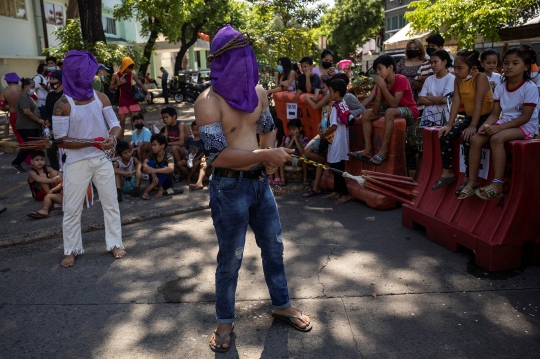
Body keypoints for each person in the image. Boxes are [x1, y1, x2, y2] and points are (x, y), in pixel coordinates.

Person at [195, 25, 312, 353]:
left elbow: (268, 128)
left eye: (248, 55)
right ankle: (224, 320)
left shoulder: (259, 92)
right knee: (230, 258)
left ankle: (281, 304)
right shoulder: (208, 101)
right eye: (238, 56)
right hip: (228, 188)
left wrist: (271, 160)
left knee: (274, 248)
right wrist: (265, 155)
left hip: (260, 183)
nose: (246, 63)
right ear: (221, 61)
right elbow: (217, 156)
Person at [51, 50, 126, 267]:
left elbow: (115, 125)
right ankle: (71, 249)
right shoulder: (62, 104)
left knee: (111, 203)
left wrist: (112, 137)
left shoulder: (100, 97)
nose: (89, 78)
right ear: (74, 75)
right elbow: (60, 140)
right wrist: (90, 142)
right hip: (76, 161)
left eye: (90, 74)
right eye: (86, 74)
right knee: (72, 207)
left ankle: (115, 243)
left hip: (101, 159)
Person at [464, 47, 539, 200]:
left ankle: (498, 184)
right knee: (476, 139)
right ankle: (472, 181)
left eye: (515, 63)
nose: (509, 66)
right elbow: (494, 114)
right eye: (506, 63)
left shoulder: (529, 88)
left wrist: (498, 128)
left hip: (525, 126)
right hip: (504, 122)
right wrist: (488, 126)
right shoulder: (500, 87)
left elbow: (525, 117)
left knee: (496, 139)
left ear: (525, 67)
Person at [434, 50, 493, 197]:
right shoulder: (458, 79)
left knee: (468, 138)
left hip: (485, 117)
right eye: (455, 67)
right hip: (469, 117)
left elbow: (479, 104)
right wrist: (449, 125)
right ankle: (447, 172)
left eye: (460, 68)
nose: (456, 71)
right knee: (446, 136)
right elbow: (456, 103)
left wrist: (473, 126)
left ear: (473, 69)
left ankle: (468, 177)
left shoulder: (481, 78)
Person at [349, 55, 419, 166]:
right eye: (376, 70)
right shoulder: (381, 84)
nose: (377, 72)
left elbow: (394, 104)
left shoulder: (401, 79)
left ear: (390, 67)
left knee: (390, 111)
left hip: (409, 112)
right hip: (390, 111)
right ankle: (368, 150)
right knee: (366, 114)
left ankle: (383, 150)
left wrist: (383, 87)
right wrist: (380, 90)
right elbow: (376, 111)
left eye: (380, 68)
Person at [319, 79, 352, 204]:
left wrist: (323, 134)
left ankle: (345, 193)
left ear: (337, 93)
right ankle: (336, 190)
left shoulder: (334, 107)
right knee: (336, 167)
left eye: (331, 91)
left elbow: (333, 126)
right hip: (342, 140)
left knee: (337, 168)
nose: (329, 93)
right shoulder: (343, 103)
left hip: (335, 141)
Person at [109, 57, 151, 139]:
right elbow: (110, 88)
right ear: (125, 66)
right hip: (122, 101)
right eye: (129, 67)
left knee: (134, 122)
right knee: (121, 123)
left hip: (132, 100)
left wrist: (148, 93)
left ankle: (136, 141)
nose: (130, 69)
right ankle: (121, 142)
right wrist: (119, 83)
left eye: (132, 67)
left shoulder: (132, 74)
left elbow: (140, 84)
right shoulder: (116, 75)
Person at [12, 78, 46, 172]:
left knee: (34, 146)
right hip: (26, 126)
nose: (33, 89)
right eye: (32, 87)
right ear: (26, 87)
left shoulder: (28, 97)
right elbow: (26, 111)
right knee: (30, 146)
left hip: (32, 126)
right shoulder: (23, 97)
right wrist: (38, 120)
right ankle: (16, 162)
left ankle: (37, 163)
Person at [418, 50, 455, 127]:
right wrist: (439, 100)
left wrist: (428, 97)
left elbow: (445, 100)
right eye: (431, 63)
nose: (432, 65)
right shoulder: (429, 79)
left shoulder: (451, 79)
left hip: (443, 118)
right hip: (427, 118)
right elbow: (421, 99)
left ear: (444, 62)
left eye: (435, 62)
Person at [26, 150, 63, 219]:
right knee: (43, 176)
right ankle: (51, 195)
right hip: (39, 194)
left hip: (48, 189)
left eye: (42, 160)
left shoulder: (46, 168)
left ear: (44, 160)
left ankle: (54, 194)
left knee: (54, 173)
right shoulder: (32, 172)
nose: (40, 162)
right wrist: (52, 180)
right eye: (37, 160)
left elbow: (58, 173)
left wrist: (58, 176)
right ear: (31, 161)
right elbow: (40, 179)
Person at [142, 133, 174, 199]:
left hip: (167, 182)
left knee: (165, 169)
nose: (152, 147)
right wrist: (153, 173)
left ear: (162, 145)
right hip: (154, 179)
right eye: (152, 145)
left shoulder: (168, 156)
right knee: (150, 162)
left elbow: (171, 169)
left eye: (155, 145)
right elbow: (144, 163)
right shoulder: (151, 154)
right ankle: (160, 188)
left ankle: (147, 191)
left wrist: (154, 170)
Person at [43, 70, 63, 170]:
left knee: (65, 153)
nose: (51, 81)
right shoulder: (50, 95)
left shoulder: (67, 96)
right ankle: (55, 172)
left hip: (64, 129)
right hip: (51, 129)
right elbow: (48, 112)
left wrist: (56, 129)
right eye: (50, 79)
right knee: (50, 152)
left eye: (54, 79)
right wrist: (48, 125)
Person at [161, 106, 189, 179]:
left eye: (166, 117)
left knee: (174, 148)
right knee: (160, 148)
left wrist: (166, 143)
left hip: (186, 150)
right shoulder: (167, 126)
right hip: (174, 147)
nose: (165, 119)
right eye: (163, 118)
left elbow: (181, 143)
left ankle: (180, 173)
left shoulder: (181, 125)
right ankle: (165, 170)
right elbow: (163, 139)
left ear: (174, 116)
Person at [283, 119, 309, 185]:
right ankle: (282, 179)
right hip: (290, 159)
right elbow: (286, 150)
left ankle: (305, 179)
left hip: (299, 160)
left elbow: (303, 152)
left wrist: (296, 141)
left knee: (305, 157)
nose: (292, 132)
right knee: (282, 156)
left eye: (294, 129)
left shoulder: (304, 139)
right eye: (290, 130)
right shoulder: (288, 138)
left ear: (300, 128)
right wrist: (292, 140)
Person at [177, 121, 204, 185]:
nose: (195, 131)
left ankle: (189, 177)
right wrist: (187, 156)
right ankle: (189, 175)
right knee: (179, 163)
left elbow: (203, 152)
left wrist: (196, 158)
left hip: (198, 158)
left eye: (196, 130)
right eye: (193, 130)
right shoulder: (190, 138)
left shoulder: (202, 139)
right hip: (190, 157)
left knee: (196, 164)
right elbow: (187, 149)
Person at [0, 72, 22, 142]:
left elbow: (1, 107)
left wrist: (8, 108)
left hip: (14, 114)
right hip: (25, 114)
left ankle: (24, 150)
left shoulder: (4, 91)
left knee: (18, 135)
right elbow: (35, 97)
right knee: (28, 135)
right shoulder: (24, 88)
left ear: (7, 81)